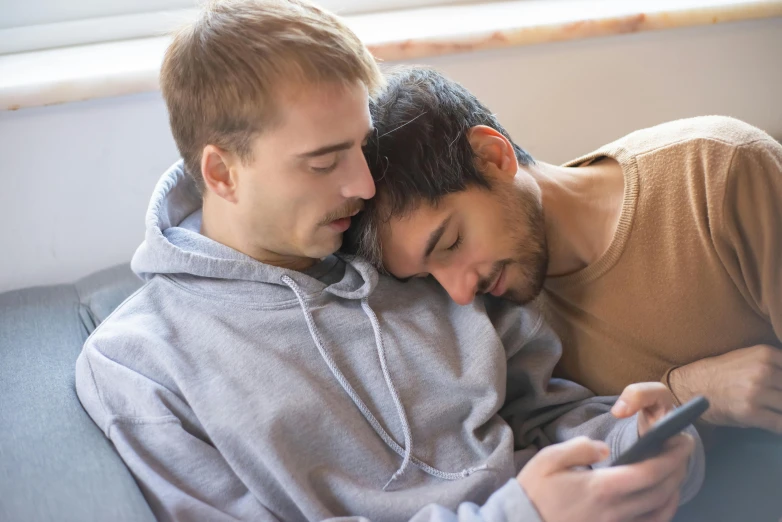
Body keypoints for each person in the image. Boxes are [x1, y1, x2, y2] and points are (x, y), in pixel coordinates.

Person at [74, 2, 702, 521]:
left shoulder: (411, 261)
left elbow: (551, 415)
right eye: (324, 161)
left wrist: (638, 440)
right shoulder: (140, 363)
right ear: (221, 172)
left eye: (360, 145)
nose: (365, 185)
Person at [342, 65, 782, 521]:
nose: (459, 292)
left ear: (493, 157)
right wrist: (693, 391)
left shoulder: (716, 174)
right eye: (426, 277)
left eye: (451, 243)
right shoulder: (503, 328)